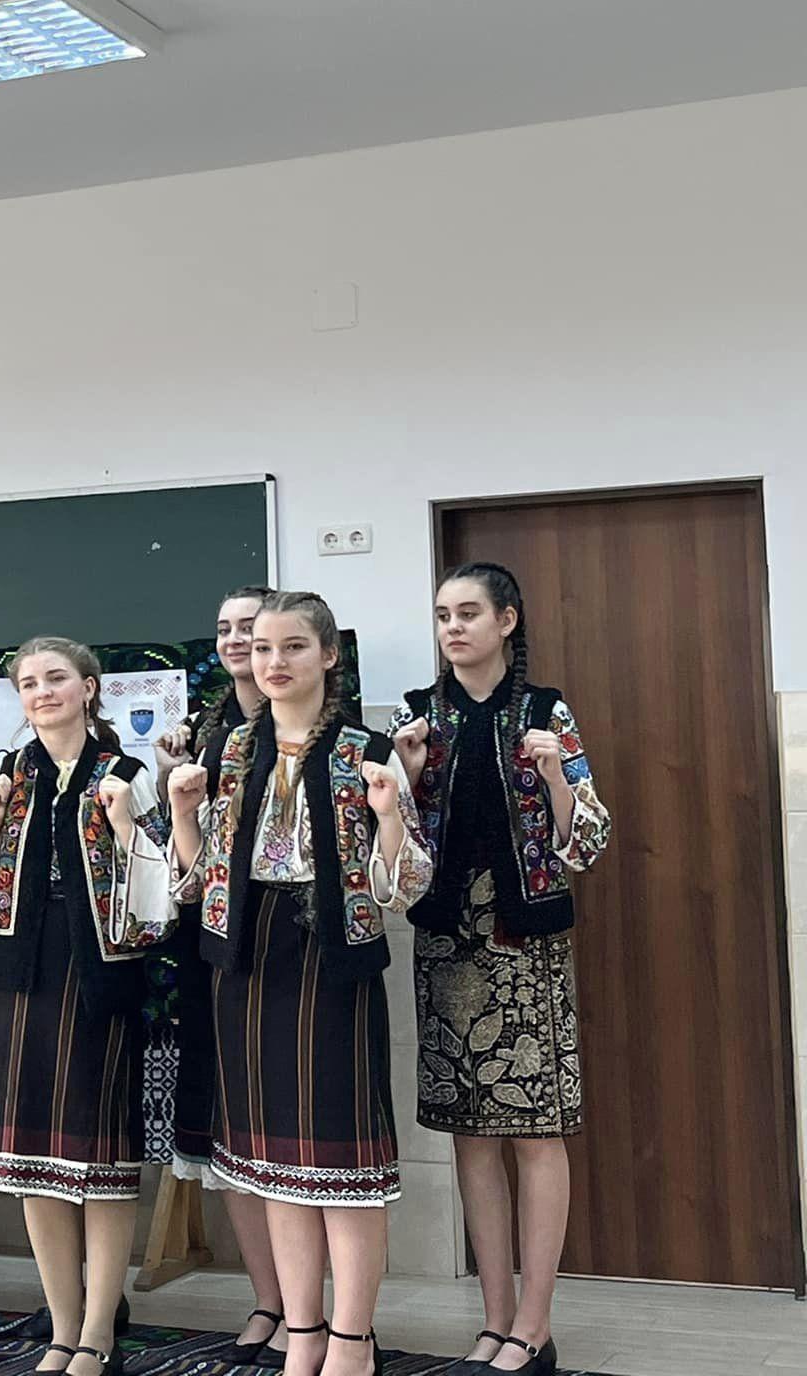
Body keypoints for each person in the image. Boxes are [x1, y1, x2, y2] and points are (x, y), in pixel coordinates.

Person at [167, 592, 431, 1376]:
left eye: (292, 646)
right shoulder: (230, 749)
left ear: (329, 655)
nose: (274, 661)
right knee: (272, 1164)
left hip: (331, 960)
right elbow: (199, 881)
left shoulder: (363, 749)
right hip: (245, 960)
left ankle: (352, 1340)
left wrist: (390, 816)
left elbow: (407, 885)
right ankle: (303, 1331)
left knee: (340, 1161)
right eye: (262, 647)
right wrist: (183, 814)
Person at [391, 564, 610, 1376]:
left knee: (536, 1130)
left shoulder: (545, 711)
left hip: (526, 943)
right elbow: (392, 851)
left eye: (468, 613)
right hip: (448, 942)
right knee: (472, 1135)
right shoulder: (418, 717)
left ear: (507, 621)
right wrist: (407, 776)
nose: (453, 627)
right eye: (442, 615)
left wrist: (555, 775)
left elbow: (588, 839)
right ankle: (493, 1322)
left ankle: (535, 1325)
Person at [0, 637, 174, 1375]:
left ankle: (100, 1329)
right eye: (29, 683)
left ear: (88, 688)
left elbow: (165, 894)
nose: (42, 692)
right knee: (31, 1160)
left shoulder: (126, 775)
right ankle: (62, 1324)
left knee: (100, 1156)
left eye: (56, 678)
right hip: (18, 976)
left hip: (97, 976)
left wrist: (124, 826)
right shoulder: (6, 778)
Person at [154, 586, 288, 1366]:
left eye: (254, 630)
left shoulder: (321, 731)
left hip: (296, 955)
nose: (239, 642)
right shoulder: (204, 733)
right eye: (226, 630)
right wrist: (173, 782)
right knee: (229, 1129)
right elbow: (186, 861)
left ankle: (317, 1310)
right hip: (215, 951)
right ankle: (269, 1301)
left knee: (297, 1132)